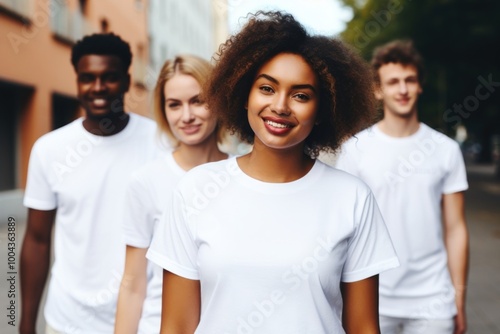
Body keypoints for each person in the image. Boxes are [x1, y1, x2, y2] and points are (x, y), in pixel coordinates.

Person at [146, 11, 400, 334]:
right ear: (243, 94)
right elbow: (176, 326)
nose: (280, 106)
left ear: (322, 111)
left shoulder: (352, 197)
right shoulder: (195, 190)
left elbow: (364, 327)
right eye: (267, 88)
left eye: (301, 95)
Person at [20, 33, 166, 334]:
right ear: (77, 82)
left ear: (126, 81)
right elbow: (36, 240)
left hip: (142, 320)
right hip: (67, 321)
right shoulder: (50, 150)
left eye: (109, 78)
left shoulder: (160, 144)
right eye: (88, 78)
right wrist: (24, 322)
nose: (98, 88)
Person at [336, 40, 469, 334]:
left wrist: (459, 299)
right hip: (372, 297)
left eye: (410, 80)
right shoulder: (355, 150)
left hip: (433, 299)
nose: (403, 89)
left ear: (420, 85)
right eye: (393, 82)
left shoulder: (445, 149)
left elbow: (456, 228)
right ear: (378, 90)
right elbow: (343, 229)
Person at [114, 54, 228, 334]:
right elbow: (133, 283)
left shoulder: (245, 174)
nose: (186, 116)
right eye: (174, 105)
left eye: (197, 101)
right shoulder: (145, 181)